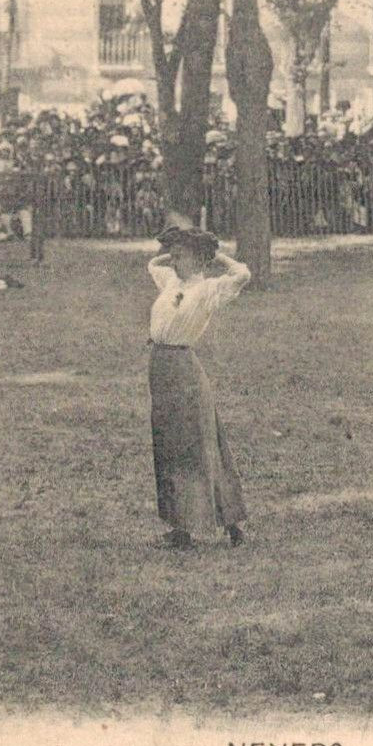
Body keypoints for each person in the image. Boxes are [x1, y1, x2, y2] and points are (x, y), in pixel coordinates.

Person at [145, 226, 251, 550]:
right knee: (169, 447)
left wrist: (212, 252)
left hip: (183, 369)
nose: (174, 261)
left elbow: (243, 273)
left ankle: (219, 525)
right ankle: (181, 527)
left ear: (197, 258)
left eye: (181, 256)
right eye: (174, 255)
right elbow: (153, 265)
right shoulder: (171, 281)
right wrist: (177, 247)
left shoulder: (207, 290)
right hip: (160, 368)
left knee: (195, 446)